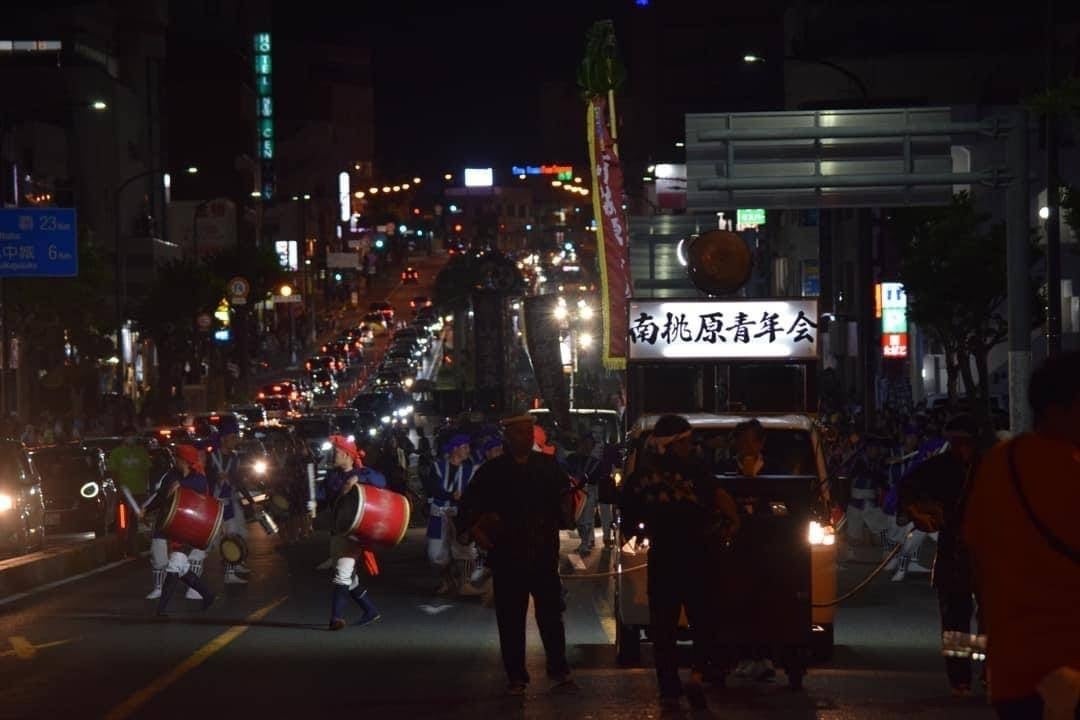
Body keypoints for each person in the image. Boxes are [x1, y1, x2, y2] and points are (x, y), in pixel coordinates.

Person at [965, 352, 1080, 719]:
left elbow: (978, 555)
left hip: (1014, 670)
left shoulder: (999, 465)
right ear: (1064, 409)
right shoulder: (1070, 469)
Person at [621, 414, 736, 710]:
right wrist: (733, 522)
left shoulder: (643, 475)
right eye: (685, 441)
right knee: (701, 623)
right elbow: (720, 497)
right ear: (673, 444)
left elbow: (629, 517)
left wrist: (640, 530)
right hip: (695, 557)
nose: (690, 446)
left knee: (666, 630)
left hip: (668, 559)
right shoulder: (693, 469)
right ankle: (694, 676)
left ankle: (671, 689)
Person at [457, 414, 575, 695]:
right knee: (510, 620)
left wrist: (566, 512)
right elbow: (470, 505)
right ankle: (516, 676)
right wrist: (474, 528)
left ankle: (558, 669)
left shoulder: (548, 466)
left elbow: (565, 500)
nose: (526, 437)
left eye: (528, 432)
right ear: (508, 437)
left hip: (543, 553)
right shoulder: (492, 471)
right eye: (519, 432)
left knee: (551, 616)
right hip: (507, 555)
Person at [899, 413, 982, 697]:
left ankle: (989, 671)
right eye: (956, 442)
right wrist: (921, 514)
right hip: (954, 551)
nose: (961, 448)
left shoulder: (989, 467)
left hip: (988, 552)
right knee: (957, 619)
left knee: (992, 618)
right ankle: (961, 678)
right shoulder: (940, 466)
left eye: (965, 442)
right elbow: (907, 488)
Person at [150, 444, 216, 615]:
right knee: (182, 568)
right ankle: (208, 594)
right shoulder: (173, 475)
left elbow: (199, 490)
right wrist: (147, 509)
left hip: (191, 530)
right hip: (177, 529)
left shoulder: (198, 478)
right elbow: (161, 496)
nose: (174, 461)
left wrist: (181, 485)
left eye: (177, 458)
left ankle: (160, 610)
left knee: (174, 566)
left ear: (184, 460)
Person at [324, 434, 381, 630]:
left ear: (347, 455)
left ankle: (336, 618)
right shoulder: (333, 476)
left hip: (354, 533)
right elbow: (328, 495)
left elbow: (381, 481)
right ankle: (370, 610)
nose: (333, 455)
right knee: (349, 576)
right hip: (337, 530)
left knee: (342, 574)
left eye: (336, 452)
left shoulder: (364, 473)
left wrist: (359, 477)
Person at [423, 433, 476, 596]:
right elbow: (432, 488)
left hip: (460, 515)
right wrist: (450, 495)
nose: (468, 450)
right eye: (465, 447)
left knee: (465, 550)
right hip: (439, 514)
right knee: (435, 555)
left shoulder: (470, 470)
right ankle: (447, 580)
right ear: (455, 449)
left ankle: (465, 584)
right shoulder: (438, 467)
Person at [206, 417, 250, 586]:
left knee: (234, 534)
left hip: (229, 502)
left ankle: (233, 566)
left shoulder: (235, 458)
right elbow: (204, 478)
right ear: (223, 438)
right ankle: (228, 573)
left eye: (236, 437)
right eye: (232, 437)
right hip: (214, 503)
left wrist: (250, 500)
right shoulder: (211, 457)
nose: (235, 440)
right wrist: (215, 478)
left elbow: (239, 481)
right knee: (214, 541)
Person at [843, 433, 892, 563]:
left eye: (877, 448)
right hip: (856, 498)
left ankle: (887, 552)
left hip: (870, 499)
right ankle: (851, 554)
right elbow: (850, 477)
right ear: (868, 448)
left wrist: (885, 466)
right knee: (853, 530)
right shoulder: (858, 460)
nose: (876, 450)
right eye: (874, 448)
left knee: (882, 526)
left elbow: (881, 480)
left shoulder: (877, 462)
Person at [107, 428, 152, 555]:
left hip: (139, 492)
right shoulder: (116, 453)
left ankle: (132, 547)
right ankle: (121, 546)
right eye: (128, 435)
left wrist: (146, 488)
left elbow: (146, 471)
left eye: (133, 435)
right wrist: (118, 488)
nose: (131, 438)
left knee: (134, 521)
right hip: (124, 493)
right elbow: (113, 472)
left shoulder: (141, 452)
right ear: (123, 437)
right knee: (122, 520)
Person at [564, 434, 603, 556]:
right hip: (576, 491)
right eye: (585, 443)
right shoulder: (573, 458)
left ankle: (585, 544)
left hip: (589, 491)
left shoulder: (594, 462)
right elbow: (567, 471)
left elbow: (596, 477)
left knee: (586, 519)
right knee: (579, 518)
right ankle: (584, 542)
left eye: (589, 444)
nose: (586, 446)